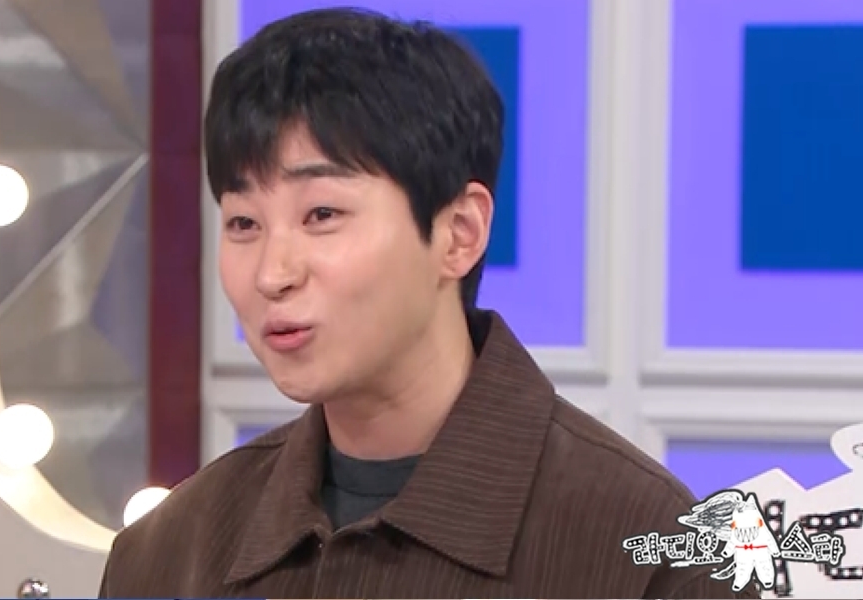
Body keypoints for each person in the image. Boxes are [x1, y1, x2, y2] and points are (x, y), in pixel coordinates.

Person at [100, 8, 759, 599]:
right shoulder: (166, 553)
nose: (273, 274)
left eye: (322, 214)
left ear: (459, 233)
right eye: (244, 222)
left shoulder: (655, 555)